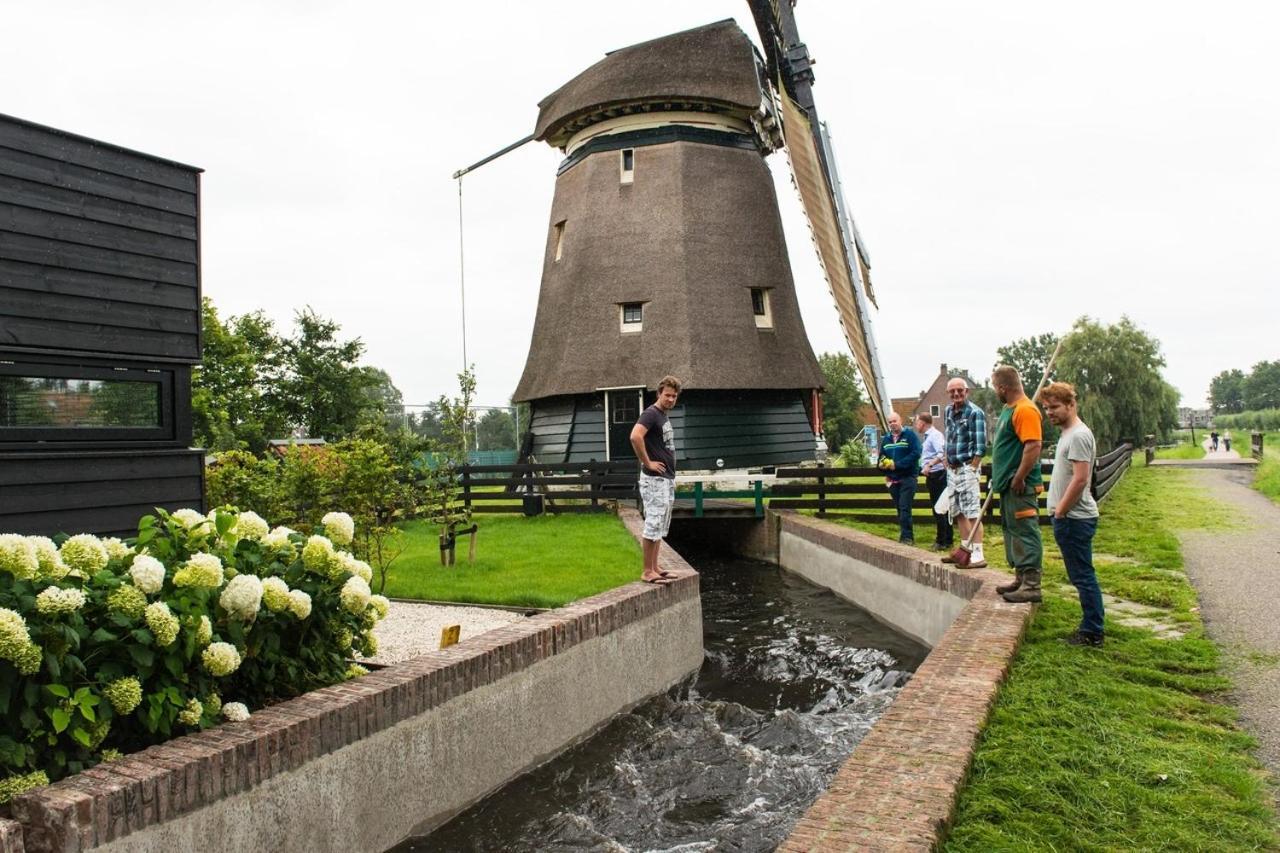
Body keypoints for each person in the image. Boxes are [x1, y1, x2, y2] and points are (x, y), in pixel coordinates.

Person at [1039, 381, 1104, 645]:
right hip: (1069, 517)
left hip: (1074, 518)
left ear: (1071, 404)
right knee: (1080, 574)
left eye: (1054, 407)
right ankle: (1091, 626)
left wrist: (1061, 511)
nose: (1049, 413)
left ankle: (1092, 632)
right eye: (1046, 408)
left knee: (1082, 575)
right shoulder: (1067, 433)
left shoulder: (1078, 435)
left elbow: (1080, 479)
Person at [990, 365, 1044, 603]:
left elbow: (1033, 446)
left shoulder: (1025, 410)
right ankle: (1021, 578)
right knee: (1013, 531)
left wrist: (1020, 476)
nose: (995, 392)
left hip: (1020, 486)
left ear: (1003, 387)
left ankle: (1032, 585)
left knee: (1025, 531)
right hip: (1009, 486)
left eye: (995, 388)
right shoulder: (1008, 409)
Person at [630, 376, 681, 584]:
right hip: (655, 480)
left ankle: (655, 566)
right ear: (659, 393)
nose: (670, 399)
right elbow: (635, 436)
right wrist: (648, 462)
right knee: (653, 522)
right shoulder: (651, 414)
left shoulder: (663, 415)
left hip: (666, 478)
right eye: (667, 395)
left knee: (660, 524)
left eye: (674, 396)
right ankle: (647, 570)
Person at [941, 377, 988, 568]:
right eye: (952, 391)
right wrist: (946, 458)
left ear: (966, 391)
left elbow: (981, 446)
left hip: (967, 467)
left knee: (972, 512)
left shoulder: (975, 413)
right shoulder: (947, 411)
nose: (956, 394)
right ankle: (963, 551)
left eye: (960, 390)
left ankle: (978, 554)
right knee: (957, 511)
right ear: (948, 394)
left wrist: (973, 467)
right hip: (951, 469)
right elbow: (948, 436)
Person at [878, 411, 922, 545]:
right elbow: (882, 456)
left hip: (908, 478)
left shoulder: (909, 435)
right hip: (892, 479)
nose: (892, 424)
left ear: (900, 420)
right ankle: (904, 535)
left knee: (904, 507)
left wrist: (896, 465)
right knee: (899, 508)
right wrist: (882, 464)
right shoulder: (886, 439)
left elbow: (916, 453)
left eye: (894, 421)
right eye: (890, 422)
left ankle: (907, 538)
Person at [915, 413, 951, 550]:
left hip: (937, 475)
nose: (916, 425)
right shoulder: (929, 436)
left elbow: (942, 453)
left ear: (923, 423)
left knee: (939, 508)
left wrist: (929, 465)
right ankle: (947, 539)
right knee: (942, 508)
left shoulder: (934, 436)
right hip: (933, 475)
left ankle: (941, 541)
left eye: (917, 422)